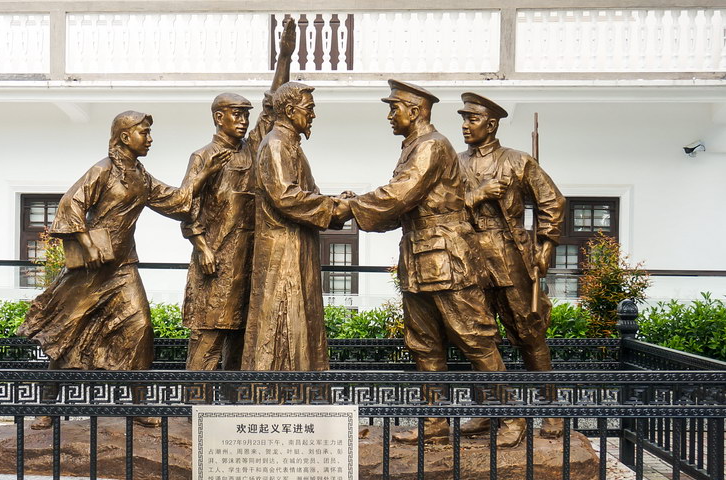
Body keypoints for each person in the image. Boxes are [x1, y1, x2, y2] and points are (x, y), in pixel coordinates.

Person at [17, 110, 231, 430]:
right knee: (68, 336)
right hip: (91, 271)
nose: (150, 139)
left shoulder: (141, 176)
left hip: (123, 267)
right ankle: (47, 407)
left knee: (141, 329)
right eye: (144, 132)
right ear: (125, 136)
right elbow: (70, 204)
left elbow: (178, 202)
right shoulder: (103, 170)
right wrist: (87, 245)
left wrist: (203, 174)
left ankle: (138, 405)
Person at [341, 80, 523, 447]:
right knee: (423, 343)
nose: (390, 116)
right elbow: (401, 208)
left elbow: (398, 195)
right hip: (418, 256)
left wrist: (348, 207)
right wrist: (356, 206)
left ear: (415, 111)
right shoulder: (412, 147)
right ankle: (435, 423)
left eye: (394, 108)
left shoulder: (431, 146)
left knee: (474, 338)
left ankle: (510, 417)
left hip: (447, 258)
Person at [180, 17, 296, 372]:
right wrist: (202, 247)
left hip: (250, 260)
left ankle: (233, 401)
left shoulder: (252, 148)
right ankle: (195, 402)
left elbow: (272, 108)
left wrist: (284, 58)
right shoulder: (203, 156)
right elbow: (186, 207)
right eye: (236, 114)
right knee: (209, 337)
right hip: (217, 260)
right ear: (219, 117)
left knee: (243, 341)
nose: (244, 120)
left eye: (246, 114)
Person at [457, 92, 566, 438]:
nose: (465, 125)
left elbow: (552, 201)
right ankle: (488, 410)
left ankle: (551, 411)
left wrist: (546, 245)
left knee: (529, 332)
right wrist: (477, 194)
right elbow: (444, 207)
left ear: (491, 125)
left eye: (472, 119)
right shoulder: (453, 164)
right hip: (468, 257)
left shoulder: (518, 161)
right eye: (463, 118)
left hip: (509, 255)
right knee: (478, 336)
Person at [241, 81, 351, 372]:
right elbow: (286, 196)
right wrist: (332, 207)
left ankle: (303, 388)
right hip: (281, 252)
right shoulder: (276, 144)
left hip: (299, 246)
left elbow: (309, 194)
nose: (313, 115)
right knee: (284, 320)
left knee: (303, 321)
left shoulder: (292, 147)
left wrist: (338, 202)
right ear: (290, 111)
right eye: (309, 108)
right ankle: (277, 390)